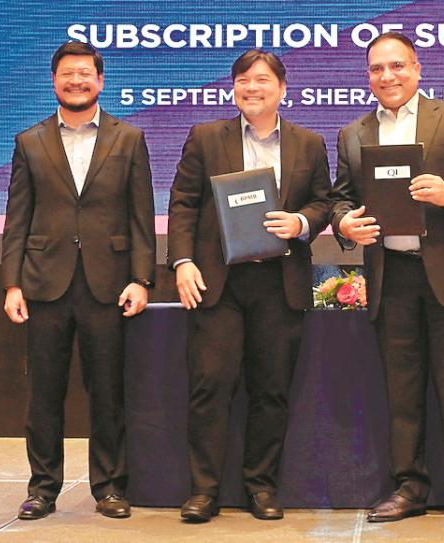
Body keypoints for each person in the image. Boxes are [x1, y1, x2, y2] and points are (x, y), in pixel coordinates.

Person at [330, 32, 444, 528]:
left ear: (417, 68)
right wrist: (344, 224)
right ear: (368, 77)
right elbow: (342, 198)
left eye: (397, 66)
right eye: (377, 69)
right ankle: (409, 487)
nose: (388, 76)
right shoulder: (353, 133)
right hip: (391, 276)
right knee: (401, 390)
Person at [168, 49, 331, 522]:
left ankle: (261, 487)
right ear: (233, 88)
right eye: (243, 80)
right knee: (210, 386)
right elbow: (183, 204)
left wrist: (300, 221)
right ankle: (203, 490)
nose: (251, 87)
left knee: (271, 390)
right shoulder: (204, 137)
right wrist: (181, 261)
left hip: (279, 283)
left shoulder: (309, 143)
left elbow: (324, 202)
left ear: (282, 89)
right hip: (217, 283)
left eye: (262, 80)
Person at [0, 40, 156, 520]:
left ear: (100, 80)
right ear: (54, 82)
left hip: (108, 285)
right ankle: (42, 489)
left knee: (107, 392)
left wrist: (142, 278)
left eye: (85, 73)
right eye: (67, 73)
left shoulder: (128, 138)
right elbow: (18, 218)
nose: (76, 80)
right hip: (44, 284)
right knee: (44, 393)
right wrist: (11, 283)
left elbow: (141, 217)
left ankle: (109, 486)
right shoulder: (29, 141)